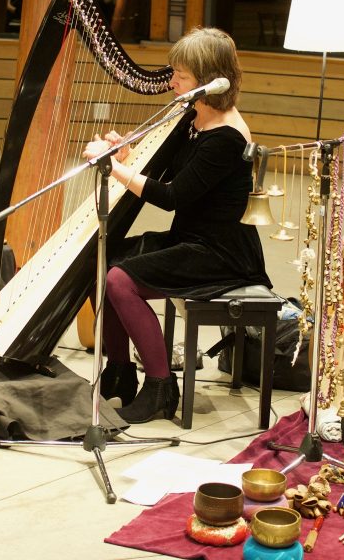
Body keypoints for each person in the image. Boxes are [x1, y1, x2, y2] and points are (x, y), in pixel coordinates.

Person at [82, 27, 272, 424]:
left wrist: (113, 167)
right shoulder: (194, 117)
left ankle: (161, 386)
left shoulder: (226, 137)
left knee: (120, 280)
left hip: (219, 252)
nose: (172, 83)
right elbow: (168, 171)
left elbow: (171, 196)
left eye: (180, 76)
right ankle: (119, 371)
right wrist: (131, 155)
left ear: (207, 81)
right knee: (99, 261)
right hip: (191, 238)